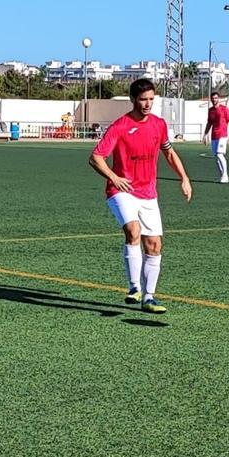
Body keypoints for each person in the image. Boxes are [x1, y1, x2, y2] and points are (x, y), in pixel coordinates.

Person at [89, 78, 192, 314]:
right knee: (133, 231)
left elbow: (169, 152)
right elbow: (96, 157)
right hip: (122, 191)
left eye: (151, 99)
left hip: (148, 193)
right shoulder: (120, 126)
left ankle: (149, 297)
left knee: (154, 245)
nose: (148, 104)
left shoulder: (159, 125)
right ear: (133, 99)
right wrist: (114, 178)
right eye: (143, 99)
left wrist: (184, 178)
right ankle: (134, 287)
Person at [202, 91, 229, 183]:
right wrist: (205, 134)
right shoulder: (210, 110)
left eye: (216, 98)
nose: (214, 100)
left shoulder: (224, 109)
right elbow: (209, 123)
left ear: (218, 99)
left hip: (222, 135)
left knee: (220, 154)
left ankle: (225, 175)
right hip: (214, 136)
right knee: (217, 156)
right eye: (213, 98)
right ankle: (222, 175)